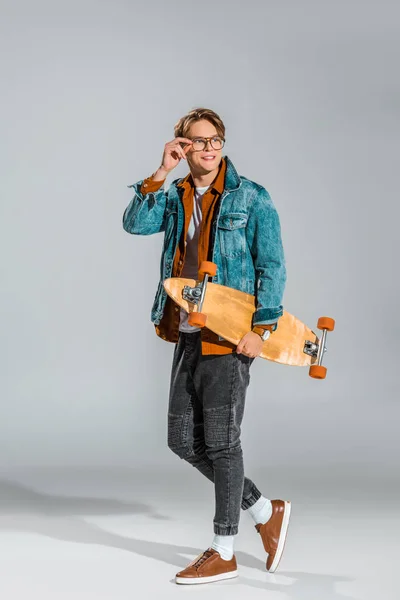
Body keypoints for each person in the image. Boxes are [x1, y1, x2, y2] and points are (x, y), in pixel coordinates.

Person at [123, 107, 291, 585]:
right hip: (186, 328)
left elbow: (272, 265)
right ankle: (264, 510)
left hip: (230, 334)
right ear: (183, 146)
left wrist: (263, 328)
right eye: (198, 141)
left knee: (222, 442)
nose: (210, 149)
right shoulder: (175, 194)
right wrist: (161, 171)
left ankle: (224, 549)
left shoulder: (250, 197)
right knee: (182, 441)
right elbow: (134, 223)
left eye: (216, 139)